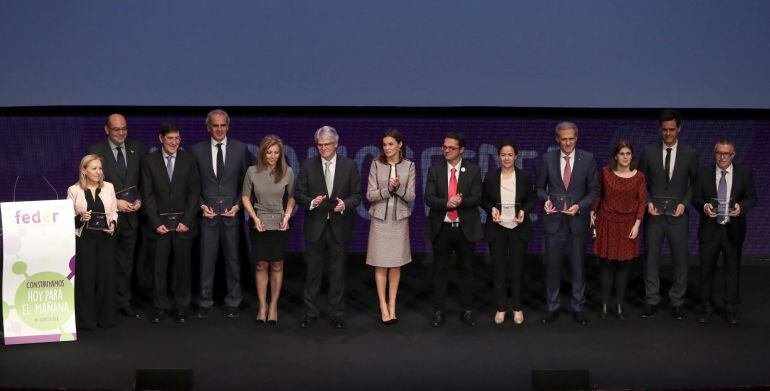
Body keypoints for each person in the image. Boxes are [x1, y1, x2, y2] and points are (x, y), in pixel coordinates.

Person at [295, 126, 361, 329]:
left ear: (336, 144)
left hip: (339, 227)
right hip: (315, 226)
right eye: (319, 145)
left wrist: (345, 205)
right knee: (312, 273)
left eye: (327, 145)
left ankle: (337, 313)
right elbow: (299, 194)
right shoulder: (308, 165)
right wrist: (312, 202)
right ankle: (310, 312)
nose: (323, 149)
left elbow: (357, 196)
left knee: (337, 273)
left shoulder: (349, 165)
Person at [190, 109, 251, 319]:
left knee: (233, 259)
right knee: (206, 260)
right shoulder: (196, 151)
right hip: (207, 217)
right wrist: (200, 205)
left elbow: (247, 182)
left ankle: (233, 300)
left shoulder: (241, 149)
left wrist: (238, 205)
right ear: (208, 127)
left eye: (223, 125)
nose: (219, 129)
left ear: (228, 126)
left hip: (231, 215)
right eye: (215, 125)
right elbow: (192, 184)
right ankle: (205, 300)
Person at [536, 122, 599, 326]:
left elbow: (594, 190)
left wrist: (580, 206)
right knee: (553, 267)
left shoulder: (588, 159)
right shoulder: (548, 158)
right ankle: (552, 306)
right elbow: (539, 187)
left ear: (577, 138)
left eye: (571, 138)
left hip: (577, 221)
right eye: (564, 139)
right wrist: (545, 199)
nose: (568, 142)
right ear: (557, 139)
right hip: (554, 221)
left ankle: (578, 307)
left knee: (578, 266)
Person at [638, 109, 698, 320]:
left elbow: (695, 184)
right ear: (660, 129)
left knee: (680, 260)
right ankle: (652, 300)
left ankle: (677, 302)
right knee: (651, 259)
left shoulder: (689, 153)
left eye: (672, 130)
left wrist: (684, 203)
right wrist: (647, 202)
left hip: (678, 217)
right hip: (654, 216)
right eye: (664, 130)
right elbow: (640, 181)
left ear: (679, 129)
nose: (668, 134)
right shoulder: (648, 151)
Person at [86, 114, 147, 319]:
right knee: (105, 263)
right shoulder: (95, 152)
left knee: (126, 264)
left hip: (131, 219)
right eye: (116, 129)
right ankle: (105, 304)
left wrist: (139, 201)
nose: (121, 133)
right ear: (106, 130)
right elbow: (91, 187)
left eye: (124, 129)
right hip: (105, 219)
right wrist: (115, 202)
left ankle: (124, 302)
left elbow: (143, 181)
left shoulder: (138, 148)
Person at [140, 123, 201, 324]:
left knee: (182, 269)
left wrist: (187, 220)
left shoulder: (189, 160)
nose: (174, 142)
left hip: (183, 227)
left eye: (177, 138)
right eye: (170, 138)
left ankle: (181, 307)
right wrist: (156, 222)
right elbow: (147, 194)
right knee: (159, 270)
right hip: (159, 228)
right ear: (161, 139)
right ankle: (160, 307)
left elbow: (194, 192)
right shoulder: (149, 161)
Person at [693, 138, 756, 324]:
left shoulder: (744, 173)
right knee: (706, 270)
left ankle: (730, 308)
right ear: (715, 153)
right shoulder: (703, 173)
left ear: (733, 155)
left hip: (733, 230)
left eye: (726, 153)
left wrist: (741, 208)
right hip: (710, 230)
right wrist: (704, 206)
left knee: (732, 270)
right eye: (719, 153)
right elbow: (695, 197)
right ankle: (706, 306)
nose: (722, 156)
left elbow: (752, 198)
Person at [425, 132, 483, 327]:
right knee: (439, 271)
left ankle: (467, 311)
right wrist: (447, 203)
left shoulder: (473, 170)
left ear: (462, 150)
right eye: (444, 147)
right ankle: (438, 311)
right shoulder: (435, 170)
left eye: (451, 148)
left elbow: (477, 198)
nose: (446, 150)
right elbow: (429, 198)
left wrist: (461, 201)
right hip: (441, 227)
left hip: (465, 228)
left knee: (466, 271)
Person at [241, 135, 295, 324]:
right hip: (259, 222)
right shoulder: (252, 171)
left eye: (276, 153)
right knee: (261, 264)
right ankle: (262, 305)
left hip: (280, 223)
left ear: (280, 154)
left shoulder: (287, 171)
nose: (272, 156)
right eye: (269, 152)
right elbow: (246, 197)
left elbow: (292, 197)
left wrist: (287, 217)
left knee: (277, 264)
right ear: (262, 152)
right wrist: (254, 219)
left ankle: (273, 306)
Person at [590, 140, 646, 320]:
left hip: (628, 226)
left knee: (623, 267)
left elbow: (641, 203)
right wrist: (592, 211)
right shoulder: (606, 173)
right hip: (607, 222)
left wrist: (637, 224)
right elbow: (599, 195)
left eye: (628, 154)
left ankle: (620, 306)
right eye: (622, 154)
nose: (625, 157)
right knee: (606, 266)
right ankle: (605, 305)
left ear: (632, 156)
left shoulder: (639, 177)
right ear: (615, 156)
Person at [482, 139, 535, 325]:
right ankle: (501, 308)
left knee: (517, 270)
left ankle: (517, 308)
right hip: (497, 228)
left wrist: (524, 211)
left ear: (516, 156)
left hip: (518, 228)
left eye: (510, 155)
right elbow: (484, 200)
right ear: (499, 157)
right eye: (503, 155)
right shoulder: (490, 177)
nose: (506, 158)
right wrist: (491, 210)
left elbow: (531, 200)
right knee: (499, 270)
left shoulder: (524, 177)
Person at [365, 129, 416, 324]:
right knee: (380, 264)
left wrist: (399, 188)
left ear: (400, 144)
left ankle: (393, 305)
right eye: (384, 144)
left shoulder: (409, 166)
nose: (387, 148)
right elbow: (370, 195)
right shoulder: (376, 165)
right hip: (380, 221)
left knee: (395, 265)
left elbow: (411, 196)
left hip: (399, 221)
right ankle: (383, 305)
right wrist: (388, 189)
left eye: (391, 144)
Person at [67, 154, 119, 329]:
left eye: (100, 168)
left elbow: (113, 212)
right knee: (86, 280)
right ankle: (86, 321)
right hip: (85, 242)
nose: (98, 172)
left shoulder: (109, 187)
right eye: (94, 168)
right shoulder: (73, 190)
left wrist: (113, 224)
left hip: (105, 239)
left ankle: (106, 318)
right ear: (84, 170)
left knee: (105, 278)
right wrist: (81, 217)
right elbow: (68, 219)